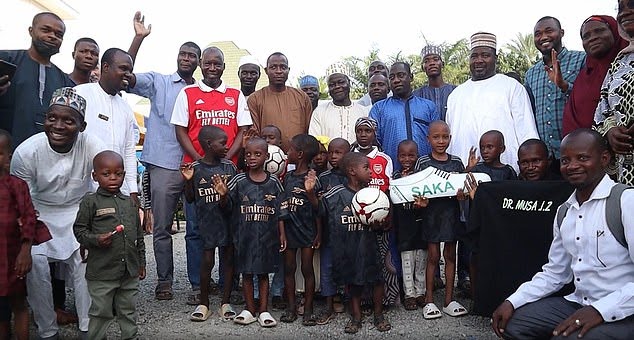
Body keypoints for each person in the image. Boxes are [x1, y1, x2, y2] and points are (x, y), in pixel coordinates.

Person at [491, 128, 634, 339]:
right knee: (512, 324)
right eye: (566, 160)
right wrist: (513, 300)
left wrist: (599, 311)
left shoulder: (625, 201)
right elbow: (555, 273)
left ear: (604, 159)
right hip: (579, 303)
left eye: (583, 158)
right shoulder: (565, 211)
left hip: (625, 310)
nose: (573, 166)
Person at [10, 87, 105, 339]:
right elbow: (21, 203)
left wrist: (94, 230)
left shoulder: (94, 146)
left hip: (79, 212)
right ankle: (47, 330)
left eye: (68, 120)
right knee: (36, 264)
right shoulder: (26, 152)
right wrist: (26, 242)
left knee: (85, 262)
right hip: (38, 214)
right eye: (52, 118)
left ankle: (89, 327)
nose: (58, 126)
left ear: (81, 126)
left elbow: (102, 191)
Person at [125, 11, 201, 301]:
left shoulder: (201, 91)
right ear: (177, 57)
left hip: (194, 165)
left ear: (197, 61)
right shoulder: (158, 82)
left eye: (192, 55)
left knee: (196, 227)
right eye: (183, 54)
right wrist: (138, 38)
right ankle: (164, 281)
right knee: (162, 228)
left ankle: (198, 283)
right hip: (163, 165)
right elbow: (125, 74)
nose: (187, 59)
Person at [171, 46, 252, 304]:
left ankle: (229, 284)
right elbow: (181, 131)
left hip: (228, 172)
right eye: (208, 63)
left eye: (218, 63)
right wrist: (200, 162)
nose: (213, 67)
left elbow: (242, 130)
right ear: (201, 65)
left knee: (231, 229)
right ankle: (199, 285)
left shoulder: (235, 95)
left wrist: (227, 159)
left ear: (224, 67)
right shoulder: (188, 93)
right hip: (196, 170)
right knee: (196, 229)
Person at [73, 150, 146, 340]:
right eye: (106, 174)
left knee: (128, 310)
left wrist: (141, 263)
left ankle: (129, 336)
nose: (113, 178)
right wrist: (96, 239)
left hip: (128, 271)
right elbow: (79, 231)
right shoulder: (91, 202)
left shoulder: (130, 202)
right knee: (101, 312)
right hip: (102, 272)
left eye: (119, 173)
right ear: (95, 176)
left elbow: (138, 235)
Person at [320, 152, 391, 334]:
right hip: (348, 247)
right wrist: (312, 193)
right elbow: (319, 211)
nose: (370, 172)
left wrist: (379, 224)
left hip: (370, 244)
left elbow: (387, 222)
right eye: (366, 168)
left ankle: (378, 314)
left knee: (377, 280)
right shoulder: (336, 194)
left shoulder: (375, 195)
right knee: (353, 282)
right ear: (352, 171)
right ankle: (356, 316)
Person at [446, 32, 538, 173]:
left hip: (505, 173)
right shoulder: (456, 94)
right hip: (465, 174)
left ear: (496, 58)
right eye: (474, 56)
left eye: (485, 55)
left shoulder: (512, 87)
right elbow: (450, 138)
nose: (479, 60)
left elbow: (526, 131)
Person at [216, 137, 284, 327]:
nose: (252, 158)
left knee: (263, 274)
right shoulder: (238, 180)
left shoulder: (274, 182)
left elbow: (280, 212)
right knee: (246, 273)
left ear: (267, 156)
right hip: (243, 236)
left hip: (267, 237)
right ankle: (249, 309)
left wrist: (282, 235)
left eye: (257, 154)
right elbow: (226, 208)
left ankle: (263, 310)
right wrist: (223, 195)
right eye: (248, 154)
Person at [180, 126, 237, 322]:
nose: (226, 146)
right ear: (208, 144)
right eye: (222, 143)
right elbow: (189, 199)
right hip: (207, 224)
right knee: (206, 262)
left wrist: (223, 195)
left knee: (228, 261)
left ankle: (225, 302)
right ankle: (204, 303)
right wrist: (188, 181)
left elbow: (232, 202)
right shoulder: (195, 169)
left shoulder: (229, 167)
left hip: (227, 223)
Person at [414, 120, 468, 319]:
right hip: (431, 216)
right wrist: (419, 203)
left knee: (450, 256)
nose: (441, 141)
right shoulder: (423, 162)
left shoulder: (456, 162)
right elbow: (416, 190)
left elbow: (462, 188)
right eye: (436, 137)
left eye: (445, 136)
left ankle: (449, 300)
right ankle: (429, 301)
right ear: (428, 139)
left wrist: (462, 196)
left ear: (450, 138)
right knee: (433, 257)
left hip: (451, 215)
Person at [0, 12, 74, 149]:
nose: (52, 36)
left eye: (58, 35)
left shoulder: (64, 81)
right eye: (46, 30)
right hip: (6, 155)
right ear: (31, 31)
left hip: (44, 157)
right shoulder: (5, 60)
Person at [74, 48, 139, 200]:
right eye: (123, 68)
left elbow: (129, 151)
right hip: (81, 190)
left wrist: (133, 191)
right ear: (105, 67)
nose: (128, 75)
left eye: (130, 70)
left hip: (117, 192)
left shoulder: (126, 108)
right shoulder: (80, 94)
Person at [351, 117, 399, 306]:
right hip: (357, 217)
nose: (363, 135)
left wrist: (390, 215)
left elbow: (390, 189)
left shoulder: (384, 159)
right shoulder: (350, 155)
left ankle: (387, 299)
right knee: (359, 259)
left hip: (380, 218)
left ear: (374, 133)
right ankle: (361, 300)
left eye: (367, 131)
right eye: (359, 131)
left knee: (383, 259)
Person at [525, 16, 585, 164]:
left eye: (549, 31)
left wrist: (564, 86)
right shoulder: (531, 74)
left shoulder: (581, 59)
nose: (543, 37)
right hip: (546, 159)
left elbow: (589, 99)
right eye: (538, 34)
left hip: (578, 152)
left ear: (562, 32)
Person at [278, 134, 321, 326]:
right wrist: (281, 232)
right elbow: (282, 206)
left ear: (300, 154)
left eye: (291, 149)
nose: (288, 152)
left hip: (307, 231)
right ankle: (291, 308)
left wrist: (319, 233)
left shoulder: (312, 178)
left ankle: (309, 310)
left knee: (306, 269)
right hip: (289, 230)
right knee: (289, 269)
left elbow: (319, 209)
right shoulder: (287, 177)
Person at [563, 15, 627, 136]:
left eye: (599, 31)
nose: (592, 38)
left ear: (615, 31)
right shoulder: (584, 79)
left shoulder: (629, 66)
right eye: (586, 36)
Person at [0, 130, 36, 340]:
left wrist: (25, 250)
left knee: (19, 303)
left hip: (13, 256)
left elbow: (29, 218)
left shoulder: (16, 185)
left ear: (8, 157)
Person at [370, 61, 439, 170]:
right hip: (392, 172)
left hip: (426, 171)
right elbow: (373, 143)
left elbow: (437, 139)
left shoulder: (428, 106)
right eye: (392, 77)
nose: (396, 80)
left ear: (411, 77)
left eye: (401, 76)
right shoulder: (378, 109)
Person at [594, 0, 634, 187]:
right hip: (627, 172)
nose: (624, 13)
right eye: (621, 8)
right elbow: (604, 107)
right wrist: (610, 131)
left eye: (632, 4)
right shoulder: (621, 61)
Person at [315, 137, 350, 325]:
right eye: (331, 152)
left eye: (338, 152)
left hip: (350, 233)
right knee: (327, 269)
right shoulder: (323, 178)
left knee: (349, 267)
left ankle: (352, 303)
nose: (333, 156)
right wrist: (319, 233)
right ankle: (328, 306)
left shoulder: (353, 176)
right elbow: (318, 211)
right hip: (329, 233)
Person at [248, 52, 313, 152]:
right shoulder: (255, 98)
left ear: (288, 70)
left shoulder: (302, 97)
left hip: (299, 159)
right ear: (266, 70)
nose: (279, 71)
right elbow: (255, 134)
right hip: (267, 159)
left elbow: (309, 130)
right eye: (273, 67)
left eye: (283, 67)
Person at [392, 139, 427, 311]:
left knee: (421, 259)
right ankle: (409, 294)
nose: (407, 159)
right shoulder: (395, 178)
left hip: (421, 224)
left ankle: (421, 292)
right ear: (398, 157)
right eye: (403, 156)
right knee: (407, 261)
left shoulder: (423, 176)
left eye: (411, 155)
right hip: (404, 225)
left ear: (417, 156)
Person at [309, 73, 369, 143]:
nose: (337, 87)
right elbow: (314, 142)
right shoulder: (319, 112)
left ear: (349, 84)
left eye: (341, 82)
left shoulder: (364, 111)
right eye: (332, 85)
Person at [413, 45, 456, 120]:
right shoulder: (416, 96)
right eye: (426, 61)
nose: (432, 63)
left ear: (442, 64)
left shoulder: (456, 91)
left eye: (435, 59)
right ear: (423, 67)